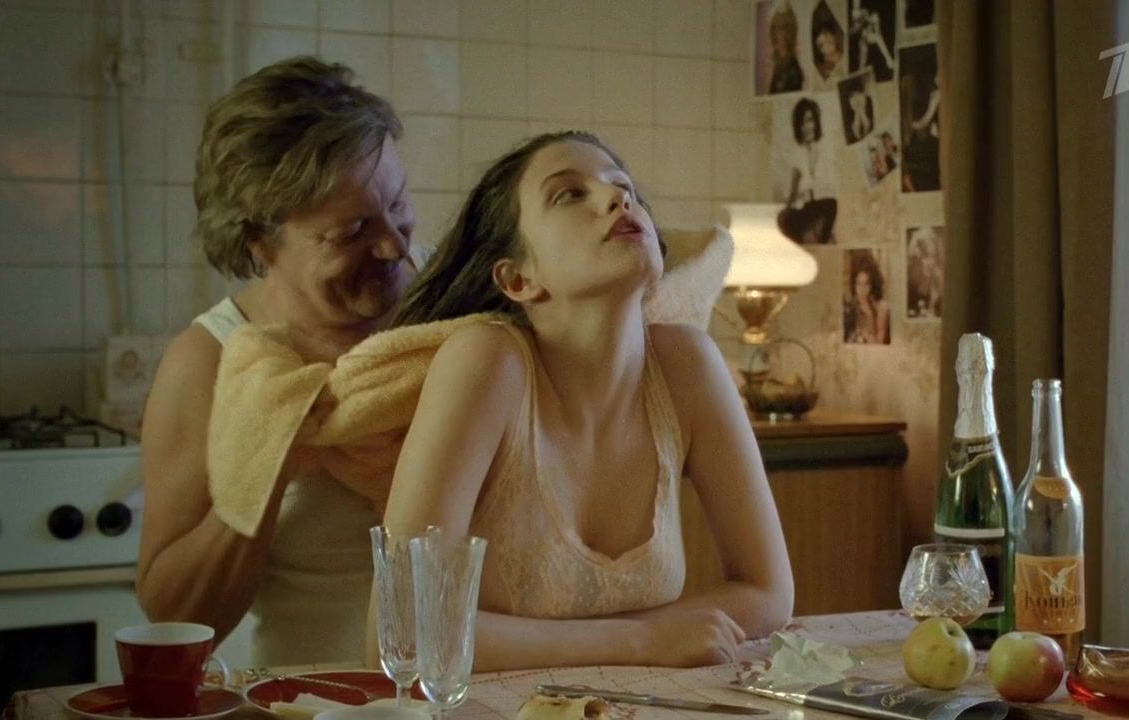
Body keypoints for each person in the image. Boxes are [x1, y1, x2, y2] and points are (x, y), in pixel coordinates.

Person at [378, 131, 795, 671]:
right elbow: (404, 630)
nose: (618, 198)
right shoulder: (487, 363)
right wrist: (643, 642)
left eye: (625, 187)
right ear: (518, 279)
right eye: (569, 194)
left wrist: (645, 641)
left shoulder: (688, 366)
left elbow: (768, 592)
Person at [136, 57, 420, 666]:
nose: (394, 245)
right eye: (350, 232)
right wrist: (261, 468)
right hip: (308, 697)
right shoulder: (208, 361)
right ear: (261, 242)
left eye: (398, 204)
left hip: (472, 694)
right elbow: (175, 618)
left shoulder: (450, 309)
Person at [776, 98, 838, 244]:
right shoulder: (797, 154)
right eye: (803, 122)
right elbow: (792, 193)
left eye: (810, 120)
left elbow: (824, 190)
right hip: (799, 209)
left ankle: (822, 241)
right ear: (798, 127)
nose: (808, 126)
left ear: (816, 122)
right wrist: (787, 209)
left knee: (832, 204)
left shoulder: (821, 150)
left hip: (814, 207)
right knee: (786, 219)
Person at [844, 251, 890, 344]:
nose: (862, 289)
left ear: (872, 284)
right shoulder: (850, 307)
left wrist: (867, 336)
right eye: (858, 283)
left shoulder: (881, 307)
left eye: (866, 284)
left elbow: (880, 343)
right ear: (854, 285)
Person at [767, 3, 804, 94]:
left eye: (781, 29)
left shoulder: (793, 71)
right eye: (774, 28)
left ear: (789, 33)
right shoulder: (776, 66)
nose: (775, 34)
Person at [811, 1, 846, 86]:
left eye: (827, 33)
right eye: (822, 44)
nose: (827, 40)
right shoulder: (817, 72)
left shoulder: (846, 60)